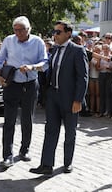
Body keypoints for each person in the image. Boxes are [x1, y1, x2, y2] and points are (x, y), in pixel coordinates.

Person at [29, 20, 88, 175]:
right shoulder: (54, 50)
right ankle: (46, 165)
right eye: (54, 32)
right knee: (50, 130)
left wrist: (78, 100)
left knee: (70, 132)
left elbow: (83, 77)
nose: (55, 35)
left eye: (58, 32)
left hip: (70, 98)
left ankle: (68, 162)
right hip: (53, 96)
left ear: (68, 33)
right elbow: (48, 69)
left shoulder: (77, 50)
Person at [0, 16, 48, 168]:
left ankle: (24, 150)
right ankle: (7, 155)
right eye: (15, 30)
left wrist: (33, 67)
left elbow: (45, 62)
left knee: (27, 119)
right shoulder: (9, 40)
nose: (17, 33)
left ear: (28, 29)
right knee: (9, 120)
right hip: (12, 84)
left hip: (30, 84)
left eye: (21, 30)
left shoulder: (38, 42)